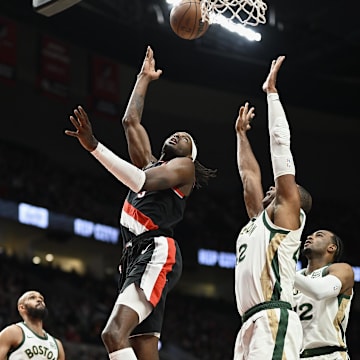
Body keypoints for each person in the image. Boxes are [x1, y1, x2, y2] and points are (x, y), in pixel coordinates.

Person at [64, 45, 216, 360]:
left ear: (190, 155)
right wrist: (143, 78)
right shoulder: (148, 162)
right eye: (176, 133)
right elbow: (130, 121)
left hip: (156, 251)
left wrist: (94, 147)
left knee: (112, 334)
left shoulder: (183, 169)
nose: (178, 136)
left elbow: (141, 182)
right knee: (142, 348)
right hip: (134, 256)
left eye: (185, 139)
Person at [233, 55, 313, 360]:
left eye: (278, 190)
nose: (272, 188)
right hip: (249, 323)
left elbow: (281, 146)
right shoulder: (259, 221)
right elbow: (249, 176)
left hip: (274, 319)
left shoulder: (287, 214)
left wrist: (271, 93)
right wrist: (241, 135)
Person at [293, 230, 354, 359]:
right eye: (311, 235)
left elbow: (318, 291)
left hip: (329, 355)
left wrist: (283, 268)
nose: (310, 236)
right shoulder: (296, 276)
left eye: (319, 235)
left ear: (331, 247)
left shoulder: (342, 269)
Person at [0, 290, 66, 360]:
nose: (39, 300)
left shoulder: (57, 345)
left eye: (41, 298)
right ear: (22, 308)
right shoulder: (13, 332)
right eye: (32, 298)